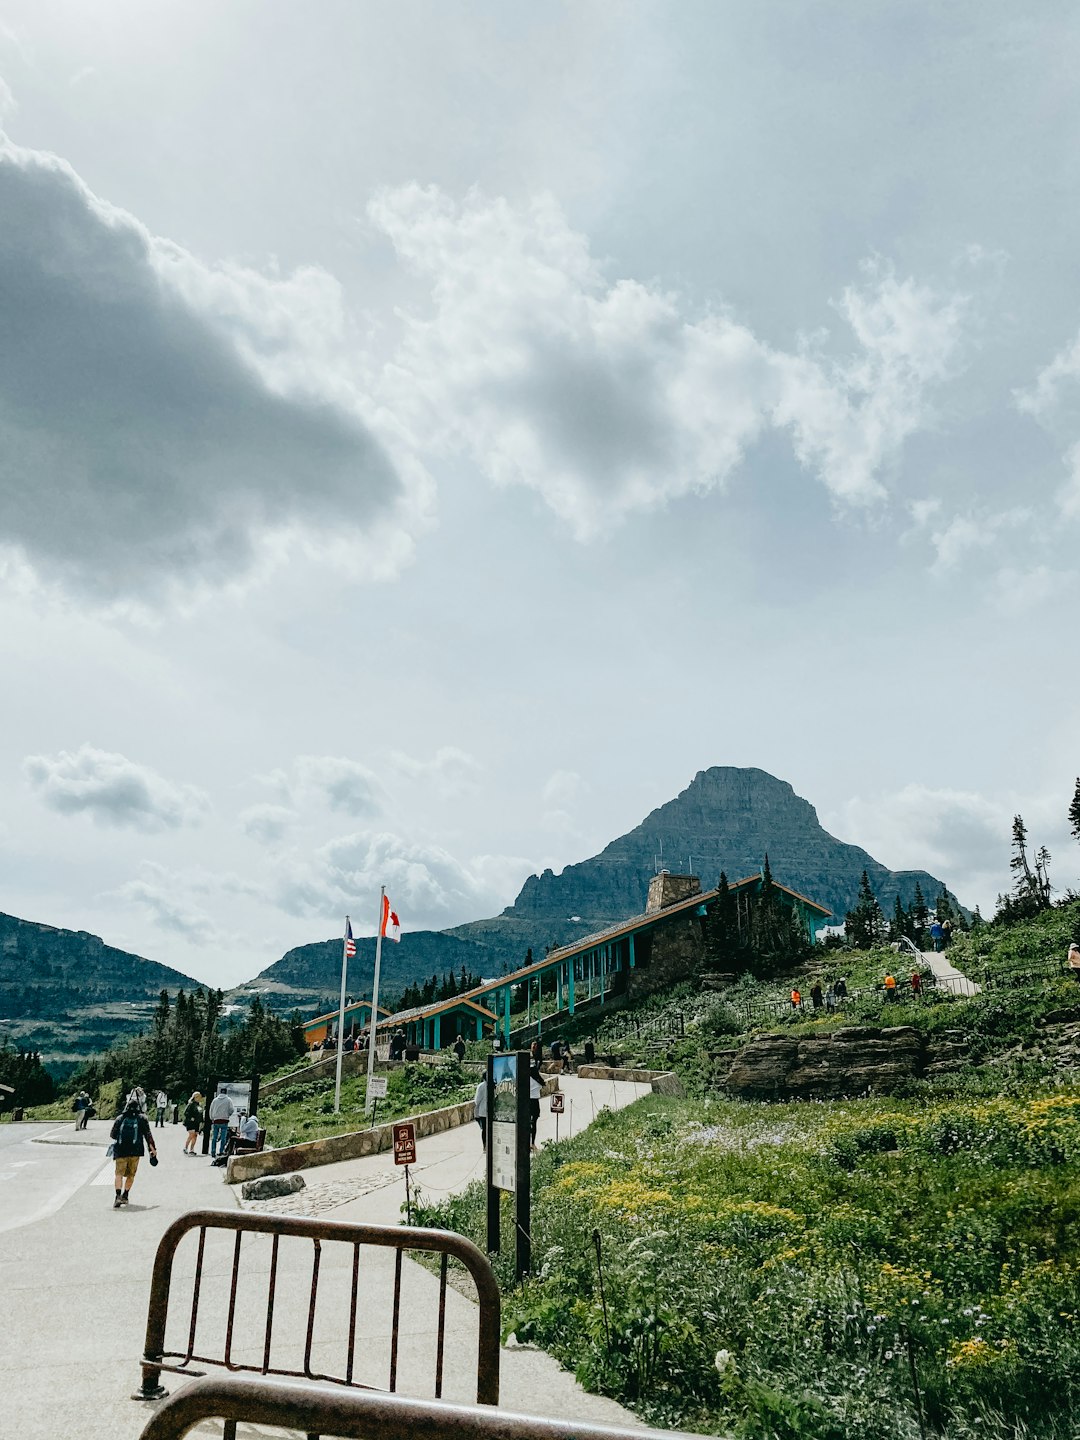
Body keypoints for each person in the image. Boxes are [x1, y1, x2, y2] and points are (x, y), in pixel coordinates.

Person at [109, 1097, 156, 1208]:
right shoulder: (142, 1119)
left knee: (119, 1174)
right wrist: (152, 1149)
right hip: (136, 1151)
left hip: (120, 1150)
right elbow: (148, 1135)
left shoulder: (120, 1118)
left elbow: (112, 1135)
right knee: (131, 1175)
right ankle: (125, 1195)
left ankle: (117, 1196)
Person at [208, 1087, 234, 1158]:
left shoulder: (215, 1100)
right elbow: (232, 1110)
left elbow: (211, 1110)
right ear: (226, 1092)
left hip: (216, 1120)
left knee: (214, 1137)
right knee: (223, 1137)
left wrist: (212, 1118)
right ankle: (221, 1151)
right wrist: (228, 1115)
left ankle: (213, 1151)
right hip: (224, 1120)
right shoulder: (228, 1100)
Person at [528, 1059, 542, 1150]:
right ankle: (532, 1143)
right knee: (534, 1123)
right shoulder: (538, 1081)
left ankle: (527, 1142)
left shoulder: (527, 1079)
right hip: (535, 1102)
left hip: (527, 1101)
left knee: (527, 1123)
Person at [473, 1076, 488, 1149]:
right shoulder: (495, 1085)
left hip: (483, 1111)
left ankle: (485, 1146)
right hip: (493, 1111)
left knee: (484, 1129)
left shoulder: (481, 1086)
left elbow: (477, 1100)